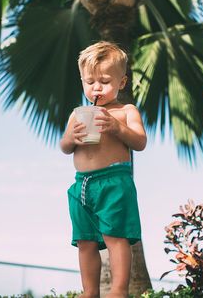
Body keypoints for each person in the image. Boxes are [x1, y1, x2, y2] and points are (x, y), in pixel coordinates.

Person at [60, 41, 147, 298]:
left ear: (121, 83)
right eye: (90, 81)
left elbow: (140, 142)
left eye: (105, 81)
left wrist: (117, 128)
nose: (96, 87)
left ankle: (119, 290)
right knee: (85, 242)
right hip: (82, 185)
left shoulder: (125, 111)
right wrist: (71, 138)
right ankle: (90, 292)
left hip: (113, 182)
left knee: (115, 237)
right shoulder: (78, 114)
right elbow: (64, 146)